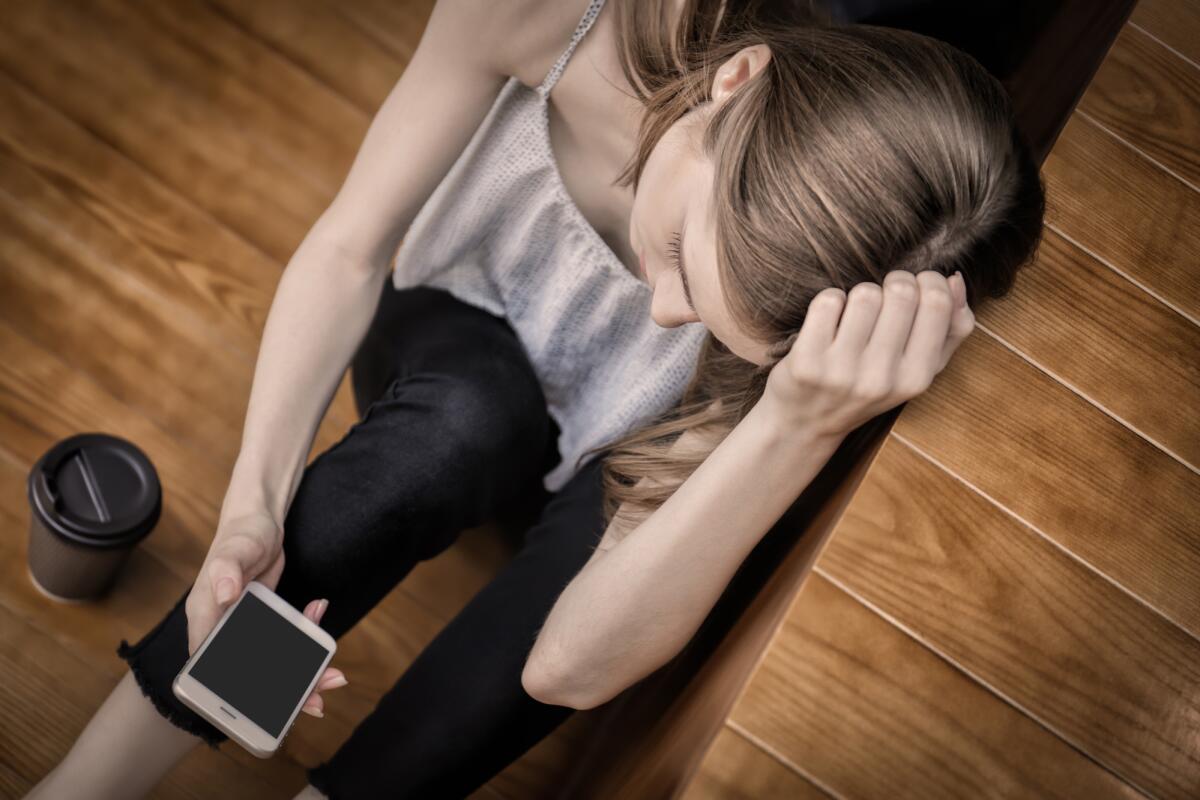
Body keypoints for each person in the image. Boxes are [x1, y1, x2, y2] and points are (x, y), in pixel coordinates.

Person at [25, 0, 1043, 797]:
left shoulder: (824, 303)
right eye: (681, 251)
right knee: (452, 431)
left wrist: (796, 417)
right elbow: (348, 249)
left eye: (715, 320)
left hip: (630, 450)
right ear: (734, 84)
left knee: (534, 636)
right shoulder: (559, 14)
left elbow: (564, 666)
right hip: (464, 341)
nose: (664, 311)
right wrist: (251, 508)